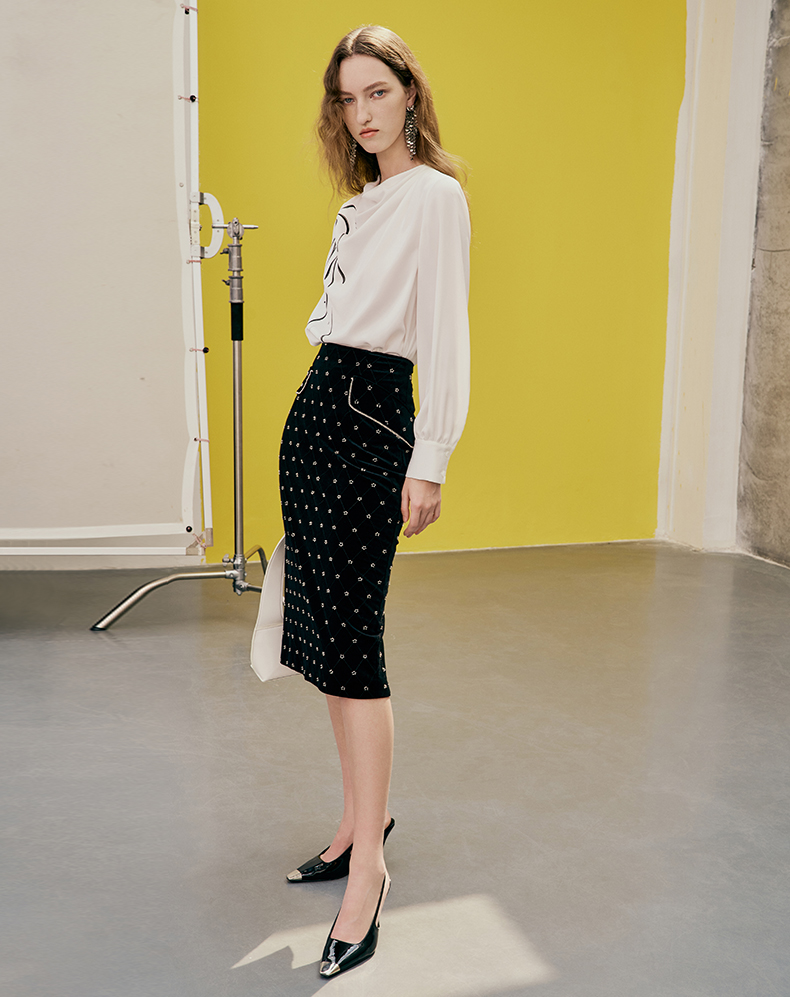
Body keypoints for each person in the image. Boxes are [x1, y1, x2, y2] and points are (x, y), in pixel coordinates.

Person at [278, 24, 470, 978]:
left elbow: (446, 332)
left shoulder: (435, 194)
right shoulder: (363, 204)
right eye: (347, 99)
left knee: (357, 645)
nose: (362, 113)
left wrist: (429, 456)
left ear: (410, 94)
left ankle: (371, 873)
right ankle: (361, 819)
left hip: (371, 413)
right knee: (325, 634)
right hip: (319, 408)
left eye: (377, 93)